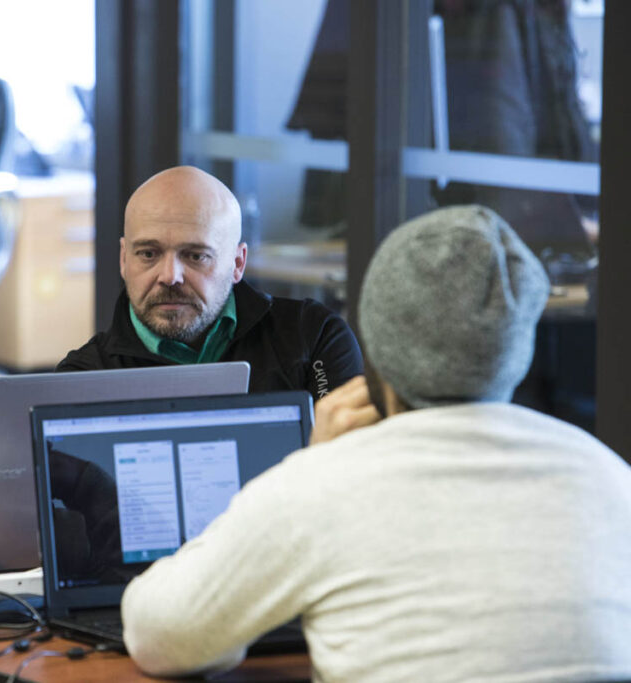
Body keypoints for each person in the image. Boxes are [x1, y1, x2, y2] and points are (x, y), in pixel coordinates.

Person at [120, 205, 631, 681]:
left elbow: (157, 634)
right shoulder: (610, 479)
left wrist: (314, 466)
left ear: (379, 344)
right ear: (516, 348)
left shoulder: (318, 490)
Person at [57, 166, 363, 399]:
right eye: (148, 254)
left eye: (195, 256)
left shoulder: (313, 338)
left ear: (237, 263)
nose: (169, 276)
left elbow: (346, 467)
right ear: (125, 259)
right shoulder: (81, 379)